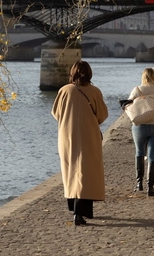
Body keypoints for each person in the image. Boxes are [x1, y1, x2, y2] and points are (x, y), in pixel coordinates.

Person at [52, 60, 109, 226]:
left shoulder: (64, 91)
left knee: (70, 170)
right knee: (86, 172)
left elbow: (56, 113)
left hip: (66, 136)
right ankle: (80, 212)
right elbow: (102, 115)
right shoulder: (94, 92)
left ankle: (72, 206)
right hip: (88, 136)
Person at [127, 67, 154, 196]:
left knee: (139, 152)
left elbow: (129, 107)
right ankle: (150, 187)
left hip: (140, 126)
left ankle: (139, 183)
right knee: (153, 154)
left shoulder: (137, 90)